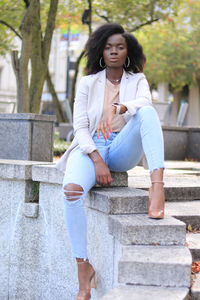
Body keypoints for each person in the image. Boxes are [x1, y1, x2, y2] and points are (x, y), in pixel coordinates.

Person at [56, 23, 165, 300]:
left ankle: (157, 187)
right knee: (70, 192)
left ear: (128, 51)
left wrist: (121, 107)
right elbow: (80, 127)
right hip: (91, 145)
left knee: (148, 113)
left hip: (121, 146)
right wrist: (96, 159)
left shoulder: (136, 80)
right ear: (100, 51)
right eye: (108, 47)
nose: (114, 51)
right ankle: (83, 269)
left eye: (119, 47)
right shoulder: (88, 82)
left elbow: (144, 102)